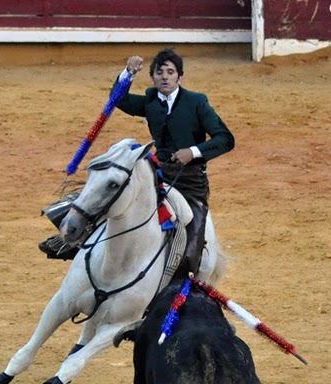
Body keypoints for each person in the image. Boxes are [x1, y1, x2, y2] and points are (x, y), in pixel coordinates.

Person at [39, 48, 234, 271]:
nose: (165, 77)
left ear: (180, 76)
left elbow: (225, 139)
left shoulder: (196, 102)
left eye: (170, 72)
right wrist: (128, 73)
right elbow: (117, 99)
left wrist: (193, 152)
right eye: (159, 72)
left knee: (191, 233)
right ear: (152, 77)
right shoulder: (151, 99)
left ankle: (186, 269)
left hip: (189, 181)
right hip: (157, 172)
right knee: (111, 189)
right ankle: (67, 238)